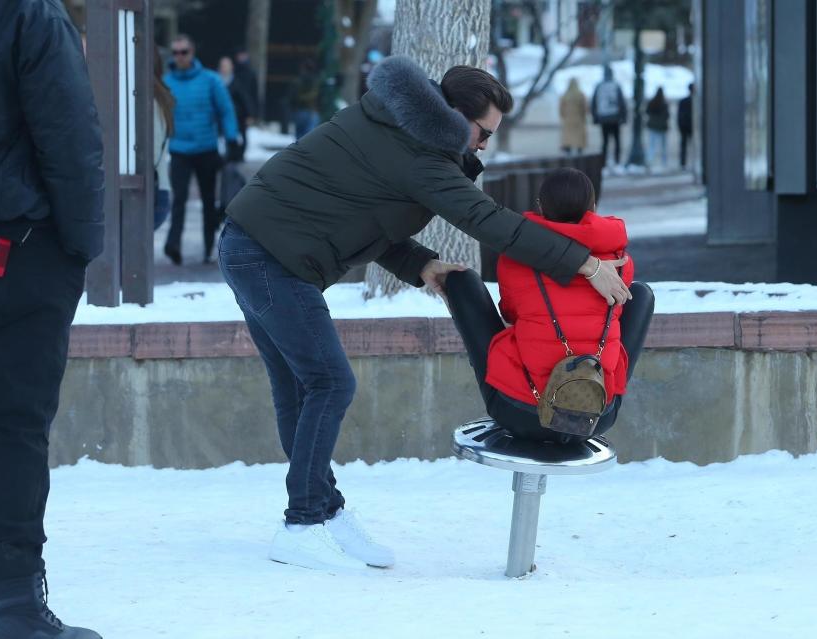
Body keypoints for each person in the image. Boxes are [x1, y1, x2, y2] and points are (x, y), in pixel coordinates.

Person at [219, 56, 631, 572]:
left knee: (302, 387)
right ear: (457, 116)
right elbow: (487, 220)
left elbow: (362, 213)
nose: (484, 145)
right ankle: (303, 522)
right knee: (329, 384)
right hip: (268, 258)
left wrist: (419, 264)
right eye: (483, 133)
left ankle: (323, 512)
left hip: (257, 248)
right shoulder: (419, 155)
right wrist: (584, 262)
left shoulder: (394, 126)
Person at [0, 0, 104, 637]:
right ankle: (14, 604)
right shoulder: (27, 14)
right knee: (12, 426)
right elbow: (69, 135)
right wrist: (79, 247)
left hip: (1, 243)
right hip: (10, 248)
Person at [447, 169, 648, 444]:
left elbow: (510, 314)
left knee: (462, 281)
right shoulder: (620, 261)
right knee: (640, 294)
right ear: (593, 208)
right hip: (596, 413)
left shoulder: (516, 258)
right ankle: (610, 388)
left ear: (540, 207)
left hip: (520, 410)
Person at [163, 34, 239, 265]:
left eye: (184, 52)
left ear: (192, 53)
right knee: (178, 200)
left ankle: (208, 246)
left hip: (206, 149)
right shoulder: (167, 82)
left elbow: (225, 110)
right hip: (179, 150)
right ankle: (173, 244)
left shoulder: (210, 80)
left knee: (208, 200)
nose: (180, 57)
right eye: (175, 53)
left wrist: (232, 138)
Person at [154, 48, 175, 231]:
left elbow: (151, 150)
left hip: (151, 191)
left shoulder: (148, 99)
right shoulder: (158, 95)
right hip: (158, 187)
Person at [591, 66, 627, 169]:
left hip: (603, 118)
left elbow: (594, 102)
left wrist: (595, 117)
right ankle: (617, 162)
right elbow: (622, 102)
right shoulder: (616, 86)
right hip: (615, 118)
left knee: (605, 142)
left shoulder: (599, 86)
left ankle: (603, 163)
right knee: (617, 141)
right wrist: (623, 117)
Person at [219, 56, 254, 159]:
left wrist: (249, 114)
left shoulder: (237, 82)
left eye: (226, 66)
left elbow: (245, 99)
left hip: (237, 117)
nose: (224, 68)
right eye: (222, 66)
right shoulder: (215, 82)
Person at [292, 58, 321, 140]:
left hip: (300, 110)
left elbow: (294, 96)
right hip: (311, 111)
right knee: (309, 137)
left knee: (299, 137)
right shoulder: (316, 81)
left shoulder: (298, 80)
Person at [559, 78, 588, 155]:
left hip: (568, 119)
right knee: (579, 137)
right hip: (579, 119)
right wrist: (584, 116)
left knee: (568, 136)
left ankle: (568, 149)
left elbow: (561, 108)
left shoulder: (565, 95)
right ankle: (579, 150)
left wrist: (563, 116)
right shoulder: (580, 95)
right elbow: (585, 108)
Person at [645, 87, 670, 170]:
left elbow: (647, 112)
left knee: (652, 145)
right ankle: (664, 162)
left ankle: (650, 160)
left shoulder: (652, 102)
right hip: (662, 127)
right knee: (663, 146)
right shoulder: (664, 103)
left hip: (653, 126)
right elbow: (667, 115)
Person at [678, 83, 694, 169]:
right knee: (693, 145)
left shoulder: (683, 101)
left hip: (684, 126)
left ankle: (683, 163)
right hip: (690, 127)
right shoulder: (695, 101)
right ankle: (692, 162)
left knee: (683, 145)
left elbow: (679, 115)